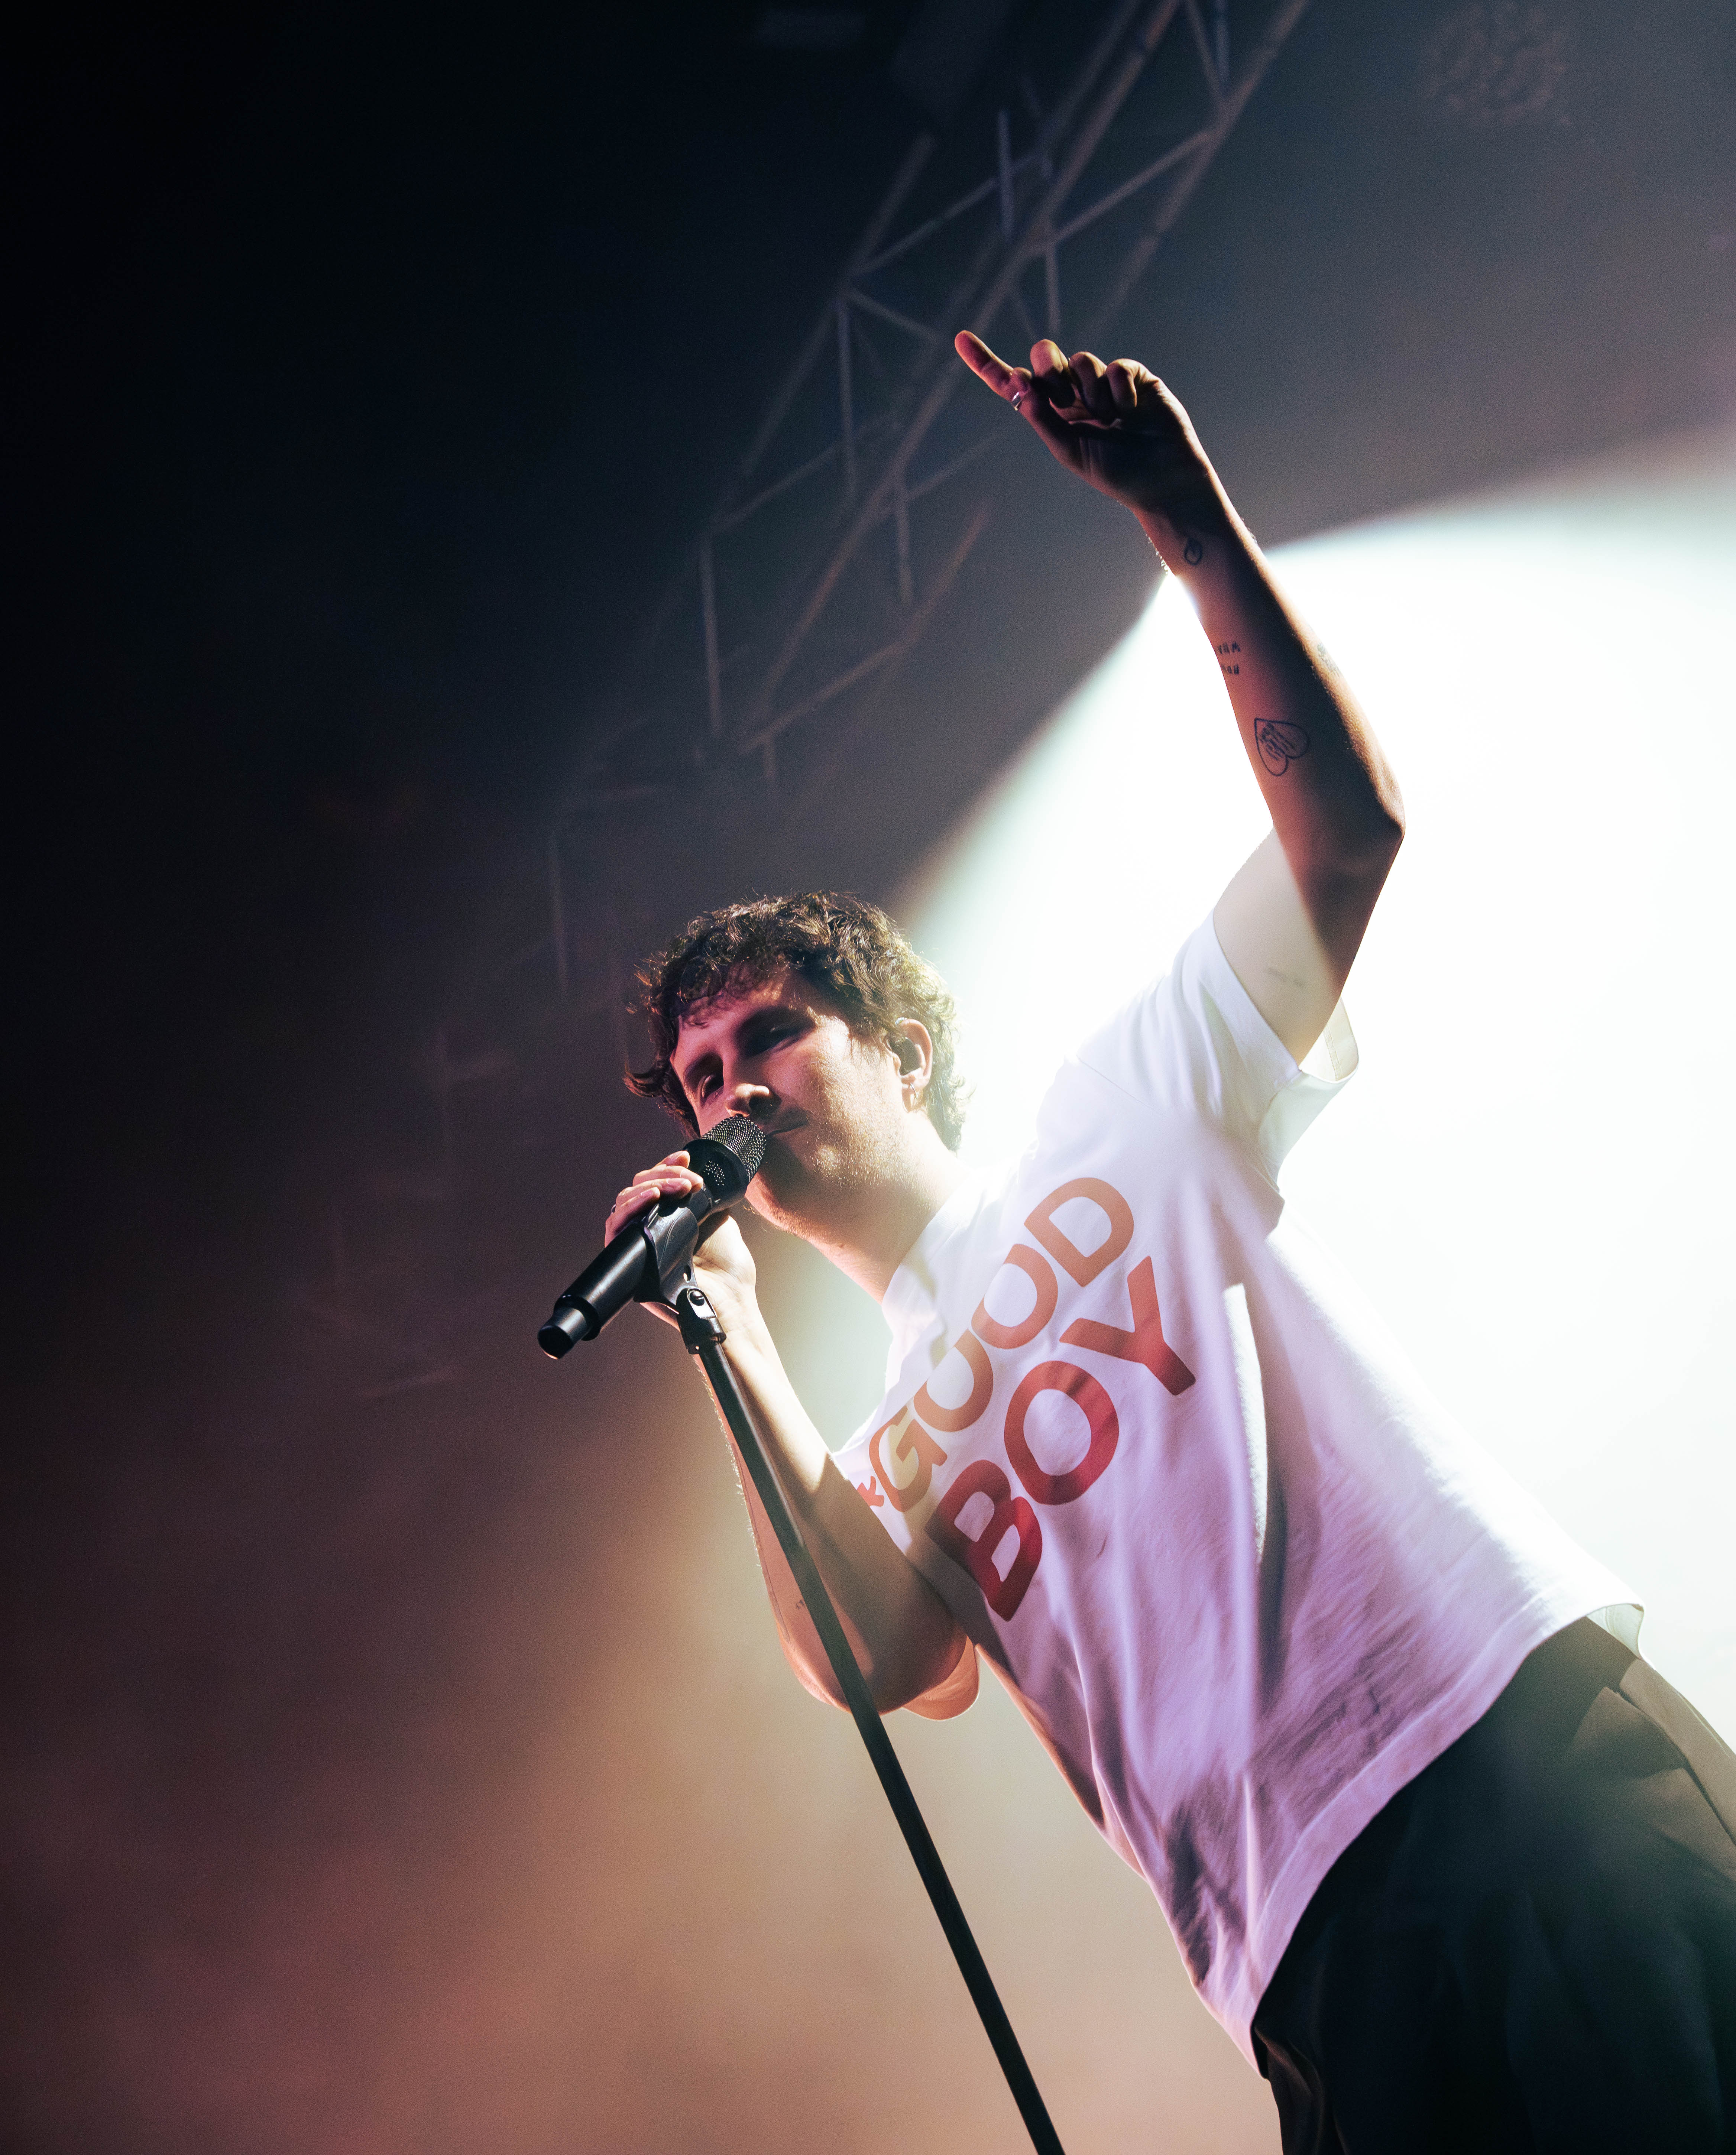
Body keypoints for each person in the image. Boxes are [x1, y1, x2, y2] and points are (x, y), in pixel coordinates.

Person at [607, 332, 1736, 2149]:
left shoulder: (1117, 1107)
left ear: (895, 1043)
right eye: (698, 1075)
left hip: (1501, 1748)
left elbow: (1344, 838)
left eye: (766, 1037)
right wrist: (728, 1331)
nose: (730, 1088)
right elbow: (875, 1665)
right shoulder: (887, 1444)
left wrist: (1184, 520)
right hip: (1301, 1950)